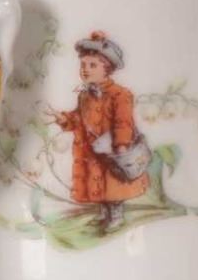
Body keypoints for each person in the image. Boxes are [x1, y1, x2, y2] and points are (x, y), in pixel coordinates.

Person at [53, 31, 149, 234]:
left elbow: (124, 122)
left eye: (92, 65)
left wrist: (121, 146)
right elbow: (79, 118)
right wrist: (65, 120)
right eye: (83, 65)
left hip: (111, 150)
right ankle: (105, 213)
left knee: (114, 185)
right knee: (99, 185)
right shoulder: (85, 96)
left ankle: (116, 215)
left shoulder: (120, 94)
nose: (85, 70)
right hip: (92, 151)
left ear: (107, 68)